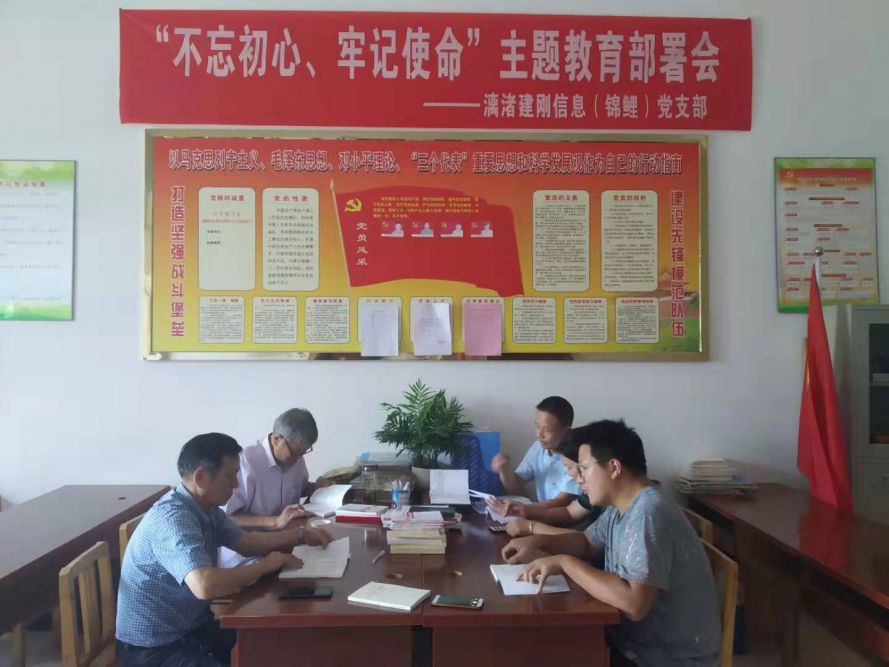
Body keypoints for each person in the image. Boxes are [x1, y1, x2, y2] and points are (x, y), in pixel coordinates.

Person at [502, 420, 721, 666]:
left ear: (614, 467)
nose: (579, 480)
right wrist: (539, 542)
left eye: (584, 469)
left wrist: (564, 563)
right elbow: (587, 541)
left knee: (539, 650)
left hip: (662, 658)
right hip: (631, 642)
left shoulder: (648, 513)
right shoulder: (621, 506)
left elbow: (634, 604)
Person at [116, 432, 332, 666]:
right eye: (230, 476)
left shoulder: (205, 508)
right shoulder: (173, 519)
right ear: (201, 477)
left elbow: (247, 543)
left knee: (269, 645)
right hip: (153, 649)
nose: (236, 484)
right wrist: (265, 566)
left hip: (192, 631)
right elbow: (205, 585)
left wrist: (300, 535)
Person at [220, 408, 330, 568]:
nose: (298, 459)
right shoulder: (246, 462)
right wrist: (274, 522)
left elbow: (299, 488)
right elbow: (227, 518)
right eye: (294, 453)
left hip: (286, 545)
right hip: (247, 558)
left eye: (303, 453)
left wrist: (316, 487)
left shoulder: (297, 458)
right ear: (276, 439)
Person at [486, 396, 581, 516]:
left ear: (566, 432)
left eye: (546, 429)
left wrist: (521, 509)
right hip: (539, 515)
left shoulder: (575, 457)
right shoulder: (538, 447)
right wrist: (504, 469)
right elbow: (516, 486)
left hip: (563, 520)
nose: (538, 434)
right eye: (537, 426)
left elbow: (561, 502)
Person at [504, 428, 604, 537]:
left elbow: (588, 539)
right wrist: (525, 510)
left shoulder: (613, 508)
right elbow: (569, 513)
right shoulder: (592, 492)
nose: (572, 476)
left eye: (583, 468)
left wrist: (532, 527)